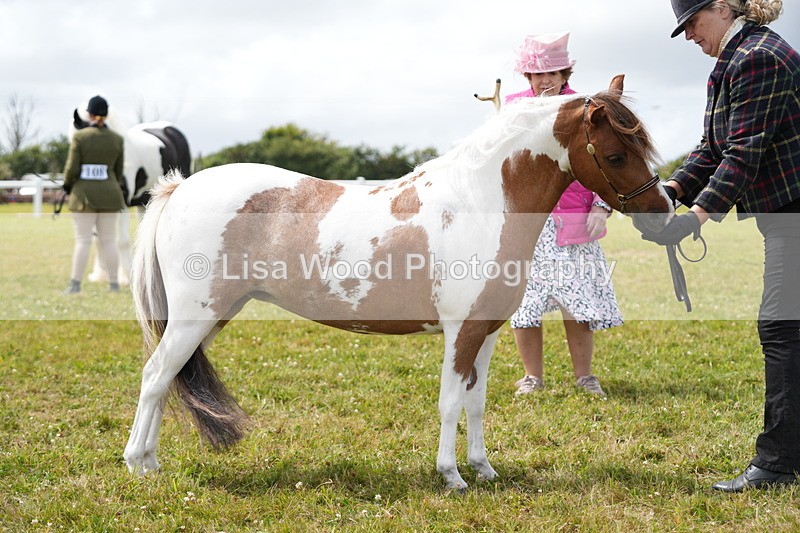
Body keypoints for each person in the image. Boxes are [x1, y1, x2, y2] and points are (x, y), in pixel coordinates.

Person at [646, 0, 800, 492]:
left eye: (692, 23)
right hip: (785, 214)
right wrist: (669, 193)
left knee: (781, 328)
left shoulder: (758, 58)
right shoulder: (736, 58)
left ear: (720, 8)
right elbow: (712, 147)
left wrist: (693, 219)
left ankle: (776, 465)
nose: (690, 35)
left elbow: (743, 152)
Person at [507, 32, 623, 398]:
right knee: (525, 306)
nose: (545, 80)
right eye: (538, 74)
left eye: (553, 73)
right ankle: (532, 377)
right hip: (526, 224)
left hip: (574, 221)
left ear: (564, 74)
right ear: (528, 76)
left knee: (578, 306)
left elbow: (602, 160)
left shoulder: (584, 109)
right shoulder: (513, 109)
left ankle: (584, 376)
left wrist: (601, 206)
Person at [62, 95, 126, 294]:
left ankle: (75, 285)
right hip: (110, 195)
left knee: (83, 241)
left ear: (89, 114)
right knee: (110, 240)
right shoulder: (117, 139)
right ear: (106, 115)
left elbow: (72, 169)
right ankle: (114, 284)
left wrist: (67, 185)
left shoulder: (80, 137)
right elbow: (118, 172)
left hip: (84, 196)